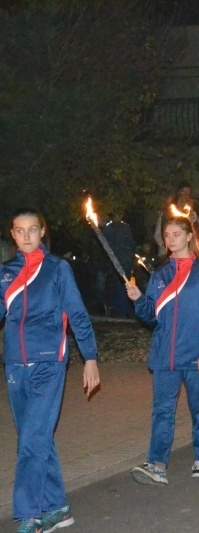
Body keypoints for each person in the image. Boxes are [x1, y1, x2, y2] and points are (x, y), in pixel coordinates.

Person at [1, 207, 100, 533]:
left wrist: (90, 357)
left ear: (42, 231)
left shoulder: (57, 269)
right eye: (20, 230)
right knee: (37, 438)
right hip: (16, 364)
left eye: (33, 229)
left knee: (31, 440)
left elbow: (78, 312)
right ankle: (57, 508)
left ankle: (30, 515)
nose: (27, 236)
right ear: (12, 234)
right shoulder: (5, 273)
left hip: (49, 362)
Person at [126, 216, 199, 485]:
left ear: (190, 236)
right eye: (167, 235)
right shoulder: (159, 274)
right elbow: (151, 317)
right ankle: (157, 465)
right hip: (165, 355)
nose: (171, 239)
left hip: (195, 354)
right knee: (162, 411)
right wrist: (138, 299)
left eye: (177, 233)